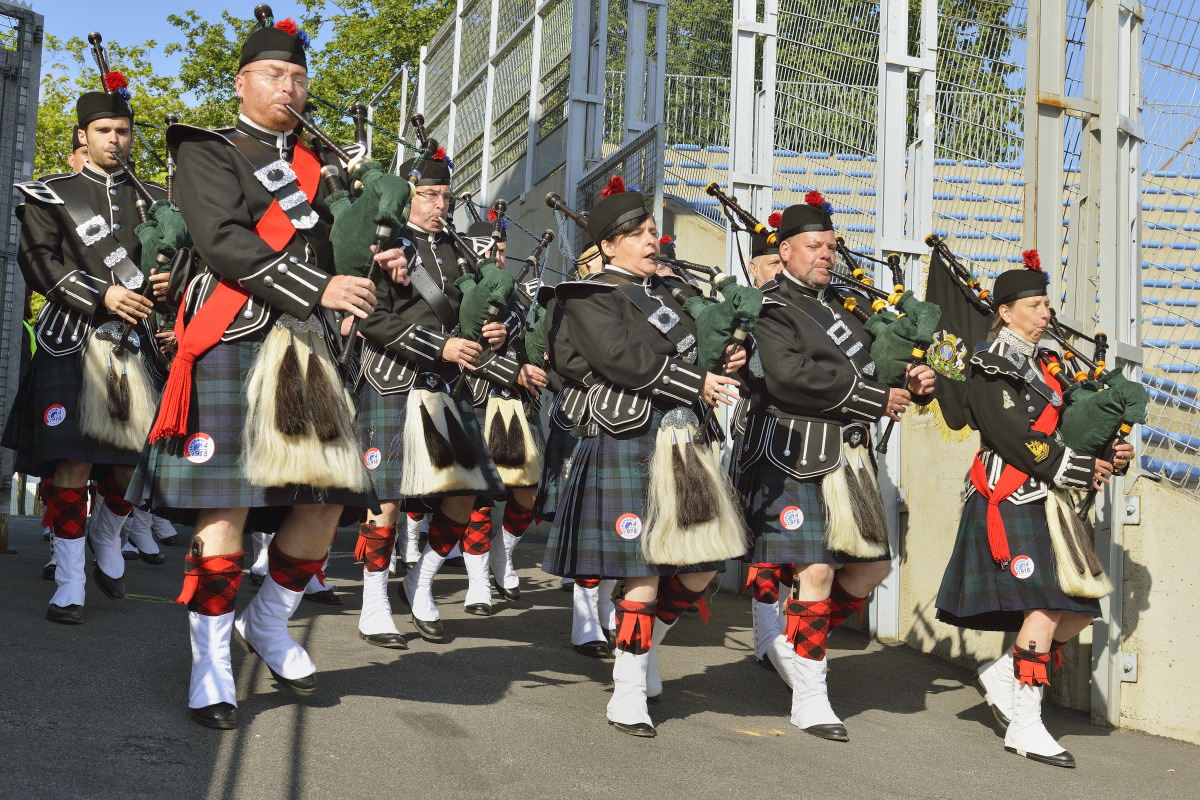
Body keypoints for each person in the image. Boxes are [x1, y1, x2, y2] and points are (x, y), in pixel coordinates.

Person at [126, 10, 385, 730]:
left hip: (306, 347)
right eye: (276, 74)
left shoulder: (322, 165)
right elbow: (223, 241)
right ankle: (210, 664)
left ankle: (268, 620)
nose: (291, 87)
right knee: (227, 509)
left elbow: (337, 249)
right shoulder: (208, 151)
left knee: (327, 500)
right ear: (242, 82)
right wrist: (319, 287)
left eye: (300, 77)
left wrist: (371, 256)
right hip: (234, 337)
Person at [542, 178, 747, 737]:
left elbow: (691, 351)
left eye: (653, 230)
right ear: (608, 245)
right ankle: (628, 691)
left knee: (703, 565)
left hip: (681, 441)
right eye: (637, 234)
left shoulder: (670, 295)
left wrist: (729, 350)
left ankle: (643, 650)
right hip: (625, 442)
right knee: (642, 574)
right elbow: (622, 359)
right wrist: (695, 377)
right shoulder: (588, 297)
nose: (651, 240)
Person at [735, 201, 935, 742]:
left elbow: (874, 369)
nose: (826, 256)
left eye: (830, 246)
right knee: (817, 571)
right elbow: (788, 376)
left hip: (848, 457)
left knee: (871, 571)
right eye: (814, 247)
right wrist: (872, 396)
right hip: (793, 451)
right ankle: (811, 692)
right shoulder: (768, 307)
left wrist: (912, 382)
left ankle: (796, 641)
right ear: (786, 252)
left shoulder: (846, 308)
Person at [935, 264, 1132, 767]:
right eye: (1034, 306)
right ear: (1004, 312)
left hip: (1048, 502)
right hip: (1008, 496)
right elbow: (1014, 438)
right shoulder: (989, 365)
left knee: (1077, 611)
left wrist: (1108, 448)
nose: (1045, 313)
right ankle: (1025, 724)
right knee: (1044, 608)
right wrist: (1080, 467)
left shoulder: (1048, 365)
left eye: (1046, 305)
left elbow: (1065, 424)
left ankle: (1003, 674)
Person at [4, 88, 167, 625]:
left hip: (133, 343)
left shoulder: (157, 199)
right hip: (71, 340)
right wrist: (101, 293)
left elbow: (178, 264)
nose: (114, 140)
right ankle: (71, 582)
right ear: (83, 135)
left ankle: (107, 533)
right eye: (103, 131)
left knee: (130, 469)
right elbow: (38, 263)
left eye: (122, 131)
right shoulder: (52, 192)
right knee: (73, 463)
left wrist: (169, 282)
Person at [352, 152, 506, 646]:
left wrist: (494, 332)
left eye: (445, 196)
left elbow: (471, 319)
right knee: (389, 499)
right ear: (408, 196)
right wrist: (437, 344)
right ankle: (374, 600)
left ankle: (422, 581)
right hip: (391, 380)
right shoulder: (384, 243)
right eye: (428, 195)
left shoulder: (462, 253)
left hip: (445, 386)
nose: (439, 205)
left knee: (463, 493)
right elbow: (371, 317)